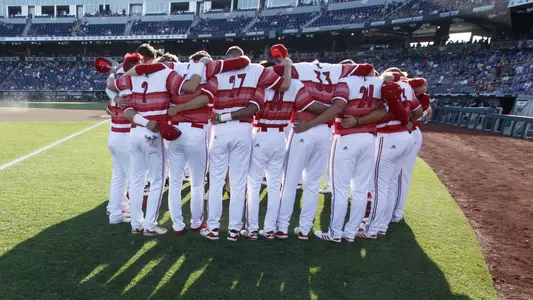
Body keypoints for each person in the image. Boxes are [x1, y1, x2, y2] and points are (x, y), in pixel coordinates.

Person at [130, 50, 250, 234]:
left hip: (176, 131)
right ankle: (195, 222)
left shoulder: (172, 71)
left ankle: (177, 225)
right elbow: (205, 98)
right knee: (196, 183)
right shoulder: (210, 74)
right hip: (195, 131)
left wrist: (177, 107)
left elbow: (148, 72)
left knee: (176, 181)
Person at [274, 55, 375, 240]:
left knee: (289, 183)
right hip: (326, 132)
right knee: (312, 185)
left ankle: (282, 227)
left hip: (303, 128)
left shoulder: (299, 68)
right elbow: (369, 68)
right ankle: (305, 230)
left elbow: (278, 73)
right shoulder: (339, 70)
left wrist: (285, 62)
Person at [197, 46, 292, 241]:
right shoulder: (257, 70)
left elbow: (205, 96)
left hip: (220, 129)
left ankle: (213, 227)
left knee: (216, 182)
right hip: (243, 129)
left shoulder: (219, 72)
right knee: (239, 183)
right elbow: (283, 86)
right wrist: (288, 66)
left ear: (227, 59)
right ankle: (234, 229)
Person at [110, 52, 209, 236]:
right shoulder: (166, 73)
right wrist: (200, 65)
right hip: (153, 133)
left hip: (134, 131)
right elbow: (191, 86)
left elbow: (114, 89)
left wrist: (118, 89)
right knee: (157, 181)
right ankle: (150, 225)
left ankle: (136, 223)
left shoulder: (134, 76)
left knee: (137, 180)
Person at [241, 60, 326, 240]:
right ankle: (270, 229)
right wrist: (336, 109)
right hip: (280, 136)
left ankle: (253, 229)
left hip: (261, 134)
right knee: (274, 185)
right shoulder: (295, 84)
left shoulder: (261, 83)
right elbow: (311, 106)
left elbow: (250, 109)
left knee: (254, 184)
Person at [358, 69, 422, 239]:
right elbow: (419, 111)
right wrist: (408, 123)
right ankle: (381, 225)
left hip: (388, 138)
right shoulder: (407, 87)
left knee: (380, 187)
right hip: (406, 138)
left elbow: (380, 111)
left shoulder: (381, 85)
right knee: (391, 184)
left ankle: (371, 229)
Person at [391, 77, 430, 223]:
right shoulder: (407, 93)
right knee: (392, 176)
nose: (425, 87)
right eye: (422, 85)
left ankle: (398, 211)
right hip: (400, 134)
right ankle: (390, 209)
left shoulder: (423, 98)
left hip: (410, 133)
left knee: (402, 176)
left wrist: (409, 122)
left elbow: (418, 112)